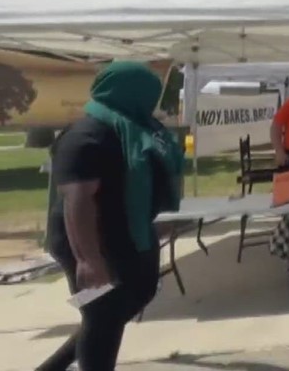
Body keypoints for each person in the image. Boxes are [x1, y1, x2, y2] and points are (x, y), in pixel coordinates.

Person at [38, 62, 183, 371]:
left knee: (129, 301)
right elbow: (77, 201)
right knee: (101, 316)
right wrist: (88, 259)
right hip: (88, 243)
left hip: (130, 235)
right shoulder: (86, 135)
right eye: (149, 91)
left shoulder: (137, 129)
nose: (154, 99)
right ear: (128, 91)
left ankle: (52, 367)